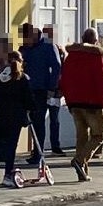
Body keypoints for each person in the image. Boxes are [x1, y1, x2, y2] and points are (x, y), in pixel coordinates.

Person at [57, 27, 103, 182]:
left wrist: (69, 102)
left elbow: (64, 80)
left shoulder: (71, 56)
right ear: (95, 41)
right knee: (99, 136)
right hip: (93, 104)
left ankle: (82, 172)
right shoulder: (96, 56)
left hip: (75, 103)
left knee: (81, 137)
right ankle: (80, 161)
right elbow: (102, 82)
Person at [0, 47, 31, 188]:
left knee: (5, 143)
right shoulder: (22, 78)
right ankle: (8, 172)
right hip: (17, 115)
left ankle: (7, 167)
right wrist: (31, 110)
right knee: (12, 145)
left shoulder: (1, 78)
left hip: (3, 115)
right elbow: (28, 99)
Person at [20, 24, 62, 163]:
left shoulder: (48, 46)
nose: (25, 42)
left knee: (39, 121)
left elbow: (56, 67)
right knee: (31, 121)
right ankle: (36, 151)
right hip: (27, 89)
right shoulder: (25, 48)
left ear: (33, 34)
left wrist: (52, 87)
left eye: (26, 38)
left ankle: (39, 153)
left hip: (41, 89)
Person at [43, 26, 66, 155]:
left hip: (55, 90)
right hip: (43, 89)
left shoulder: (59, 50)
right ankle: (39, 146)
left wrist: (61, 88)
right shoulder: (40, 49)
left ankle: (55, 145)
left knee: (54, 120)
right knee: (40, 119)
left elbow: (62, 71)